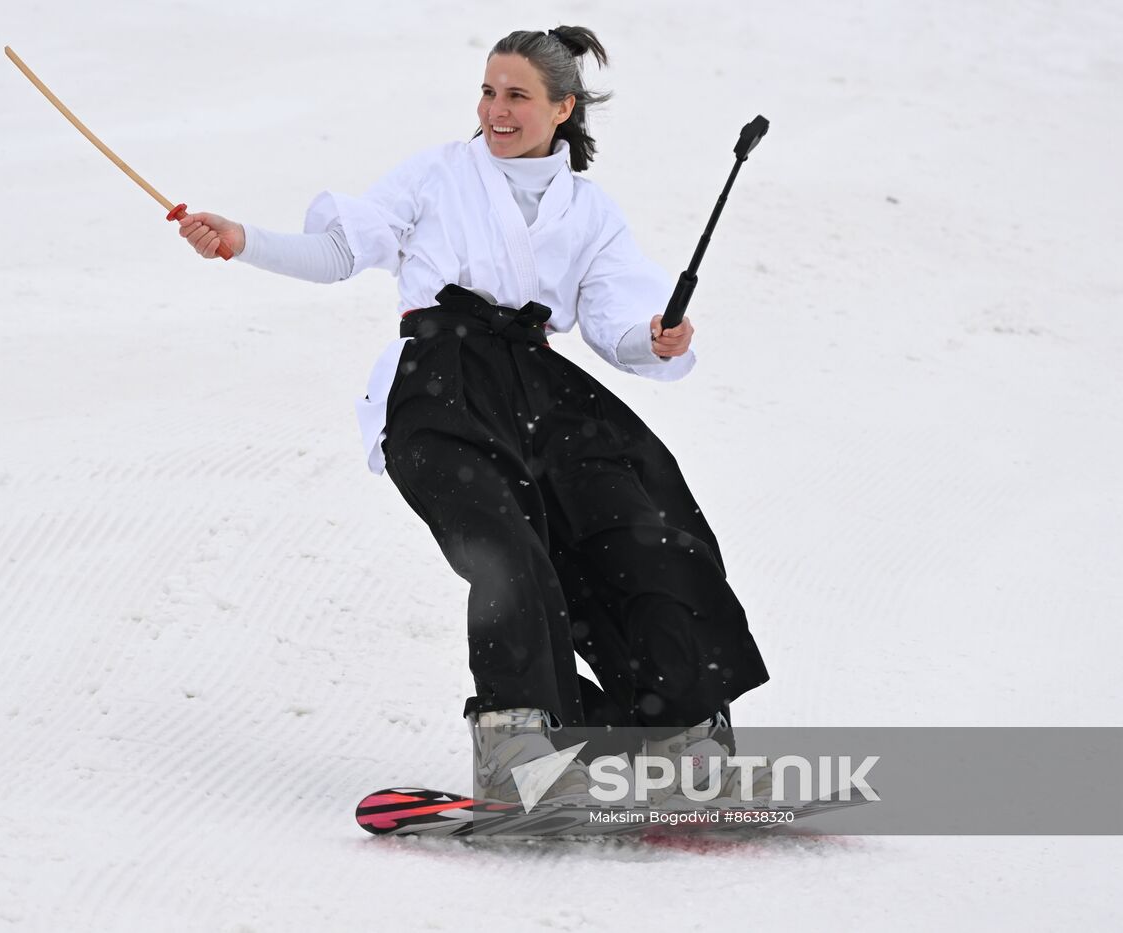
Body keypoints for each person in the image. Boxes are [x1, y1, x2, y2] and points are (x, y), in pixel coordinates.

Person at [176, 26, 769, 805]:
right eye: (488, 91)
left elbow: (618, 322)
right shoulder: (437, 176)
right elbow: (340, 251)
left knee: (639, 524)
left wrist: (656, 339)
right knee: (506, 551)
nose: (496, 109)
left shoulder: (590, 213)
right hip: (440, 389)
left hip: (543, 393)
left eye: (517, 95)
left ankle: (680, 737)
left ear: (563, 108)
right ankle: (521, 751)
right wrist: (241, 240)